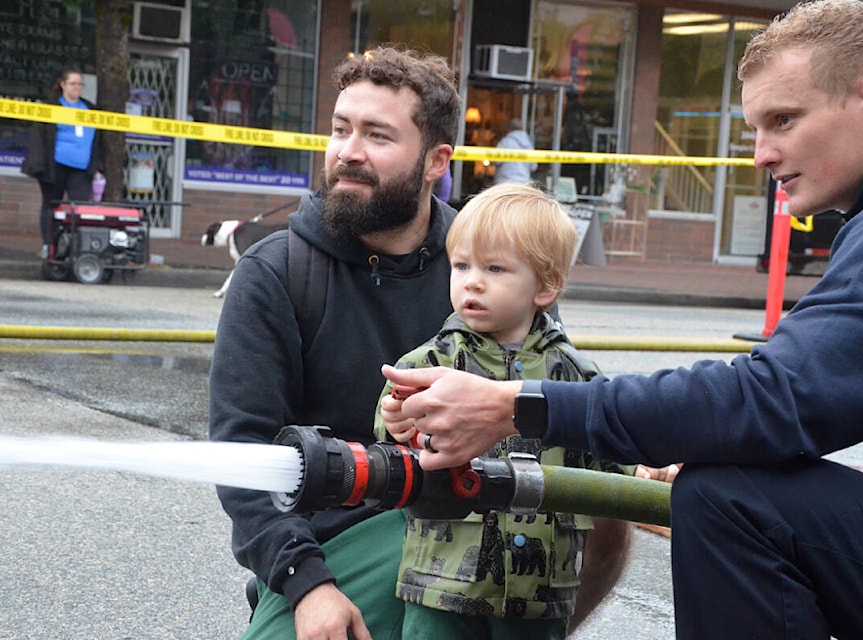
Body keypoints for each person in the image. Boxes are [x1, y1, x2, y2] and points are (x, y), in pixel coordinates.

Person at [381, 0, 863, 636]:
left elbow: (776, 397)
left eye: (784, 120)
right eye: (755, 130)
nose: (762, 155)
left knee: (726, 493)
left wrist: (518, 404)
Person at [209, 45, 632, 640]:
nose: (349, 153)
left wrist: (644, 459)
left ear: (436, 160)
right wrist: (307, 585)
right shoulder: (276, 272)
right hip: (333, 547)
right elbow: (243, 453)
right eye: (340, 129)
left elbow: (552, 405)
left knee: (607, 506)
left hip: (479, 514)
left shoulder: (497, 263)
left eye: (378, 136)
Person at [375, 182, 635, 639]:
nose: (471, 280)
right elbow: (391, 423)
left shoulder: (576, 374)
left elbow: (611, 453)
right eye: (461, 265)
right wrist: (396, 422)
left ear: (547, 285)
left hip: (541, 590)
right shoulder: (429, 363)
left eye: (495, 268)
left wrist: (646, 465)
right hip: (443, 579)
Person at [22, 68, 104, 258]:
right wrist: (37, 165)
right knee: (51, 206)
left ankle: (75, 248)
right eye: (73, 83)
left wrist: (98, 167)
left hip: (82, 169)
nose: (77, 87)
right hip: (55, 166)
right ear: (63, 85)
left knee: (80, 208)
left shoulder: (91, 110)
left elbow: (98, 142)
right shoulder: (51, 107)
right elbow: (39, 138)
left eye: (80, 84)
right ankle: (49, 246)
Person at [493, 118, 537, 185]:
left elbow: (496, 160)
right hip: (524, 182)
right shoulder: (528, 144)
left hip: (506, 181)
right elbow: (533, 166)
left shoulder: (505, 142)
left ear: (509, 129)